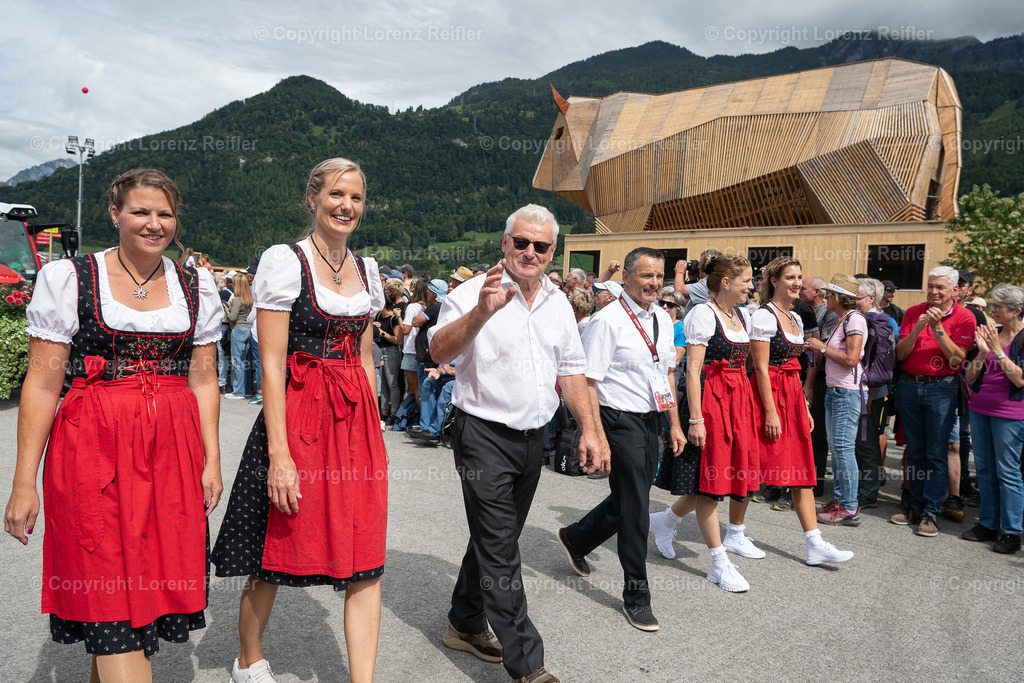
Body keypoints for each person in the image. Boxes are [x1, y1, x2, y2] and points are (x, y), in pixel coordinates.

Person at [3, 168, 224, 682]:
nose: (154, 224)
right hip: (91, 452)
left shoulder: (195, 285)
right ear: (115, 214)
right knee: (109, 599)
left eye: (165, 214)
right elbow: (41, 385)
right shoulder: (72, 277)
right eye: (141, 212)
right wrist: (22, 482)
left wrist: (211, 461)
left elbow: (205, 381)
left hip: (171, 455)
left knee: (144, 596)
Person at [211, 158, 387, 683]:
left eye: (355, 197)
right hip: (298, 417)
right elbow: (270, 364)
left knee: (366, 556)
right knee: (275, 547)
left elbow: (363, 355)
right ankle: (248, 659)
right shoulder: (286, 261)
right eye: (336, 194)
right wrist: (280, 455)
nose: (346, 206)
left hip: (353, 423)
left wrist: (373, 428)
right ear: (312, 199)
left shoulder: (368, 270)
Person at [430, 204, 608, 683]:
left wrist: (590, 428)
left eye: (541, 246)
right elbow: (438, 350)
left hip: (534, 439)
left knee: (496, 538)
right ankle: (528, 663)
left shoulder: (558, 303)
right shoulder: (471, 292)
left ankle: (464, 622)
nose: (530, 252)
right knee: (501, 547)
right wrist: (481, 314)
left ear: (552, 252)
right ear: (505, 243)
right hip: (482, 434)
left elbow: (570, 370)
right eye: (522, 242)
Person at [559, 247, 685, 632]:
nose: (654, 283)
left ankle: (576, 537)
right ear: (626, 277)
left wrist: (674, 424)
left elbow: (664, 376)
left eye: (659, 276)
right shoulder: (608, 320)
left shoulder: (663, 320)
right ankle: (637, 596)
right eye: (646, 275)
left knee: (633, 494)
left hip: (651, 421)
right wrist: (595, 434)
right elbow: (589, 383)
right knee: (636, 509)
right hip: (617, 419)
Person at [650, 254, 761, 592]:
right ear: (726, 282)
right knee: (710, 485)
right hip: (709, 404)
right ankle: (718, 562)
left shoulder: (738, 313)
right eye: (746, 280)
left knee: (712, 480)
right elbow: (694, 371)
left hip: (734, 403)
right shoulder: (703, 313)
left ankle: (664, 521)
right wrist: (695, 419)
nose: (751, 286)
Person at [744, 257, 853, 563]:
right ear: (774, 281)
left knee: (801, 469)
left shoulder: (796, 318)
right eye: (790, 277)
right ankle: (730, 532)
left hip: (791, 394)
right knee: (751, 467)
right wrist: (770, 411)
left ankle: (814, 542)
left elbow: (798, 367)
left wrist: (803, 406)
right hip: (769, 395)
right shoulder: (763, 317)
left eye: (799, 278)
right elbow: (762, 369)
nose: (797, 283)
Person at [889, 266, 977, 537]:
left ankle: (931, 511)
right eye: (930, 286)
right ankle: (915, 506)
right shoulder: (914, 312)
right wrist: (917, 329)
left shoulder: (965, 317)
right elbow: (901, 355)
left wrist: (938, 329)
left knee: (936, 453)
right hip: (910, 386)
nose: (934, 292)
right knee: (915, 451)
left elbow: (957, 359)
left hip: (942, 388)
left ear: (955, 289)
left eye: (940, 287)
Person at [962, 284, 1024, 554]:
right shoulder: (991, 334)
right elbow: (970, 376)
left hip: (1010, 415)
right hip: (980, 410)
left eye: (999, 306)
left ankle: (1012, 531)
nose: (993, 310)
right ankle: (988, 523)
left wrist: (998, 350)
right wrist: (984, 353)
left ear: (1017, 311)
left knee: (1008, 472)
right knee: (984, 469)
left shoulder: (1020, 338)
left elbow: (1019, 380)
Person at [805, 274, 866, 526]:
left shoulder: (855, 319)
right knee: (838, 448)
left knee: (842, 450)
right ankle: (841, 501)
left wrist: (820, 347)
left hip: (846, 391)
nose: (826, 296)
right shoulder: (845, 319)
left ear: (839, 297)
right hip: (838, 390)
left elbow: (851, 359)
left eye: (829, 293)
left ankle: (849, 507)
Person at [852, 278, 898, 510]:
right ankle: (863, 487)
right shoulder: (871, 320)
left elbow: (878, 364)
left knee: (866, 442)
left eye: (856, 298)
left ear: (871, 298)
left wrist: (869, 395)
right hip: (865, 391)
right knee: (860, 441)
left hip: (871, 393)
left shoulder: (877, 322)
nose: (852, 302)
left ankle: (868, 493)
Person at [802, 274, 839, 496]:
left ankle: (815, 483)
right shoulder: (797, 310)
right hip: (802, 374)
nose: (799, 290)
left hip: (819, 378)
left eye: (804, 287)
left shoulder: (828, 314)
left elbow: (819, 349)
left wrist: (809, 384)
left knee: (817, 434)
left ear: (817, 292)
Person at [375, 280, 405, 424]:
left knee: (392, 383)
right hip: (381, 350)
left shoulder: (393, 318)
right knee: (384, 385)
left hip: (391, 351)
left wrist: (381, 333)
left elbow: (398, 340)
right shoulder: (378, 317)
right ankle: (383, 411)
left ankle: (393, 412)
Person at [400, 278, 430, 405]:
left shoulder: (412, 306)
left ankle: (417, 416)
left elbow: (406, 330)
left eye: (412, 284)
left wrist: (398, 318)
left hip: (411, 349)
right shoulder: (427, 306)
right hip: (423, 349)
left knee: (413, 388)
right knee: (421, 386)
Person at [225, 272, 254, 399]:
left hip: (238, 329)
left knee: (238, 362)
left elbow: (232, 318)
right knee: (246, 362)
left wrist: (227, 310)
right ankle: (247, 389)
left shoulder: (236, 300)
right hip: (248, 329)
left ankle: (238, 391)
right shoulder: (249, 298)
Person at [677, 249, 720, 317]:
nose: (698, 267)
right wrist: (692, 280)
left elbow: (679, 290)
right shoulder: (714, 282)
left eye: (700, 263)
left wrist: (679, 271)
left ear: (707, 265)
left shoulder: (707, 284)